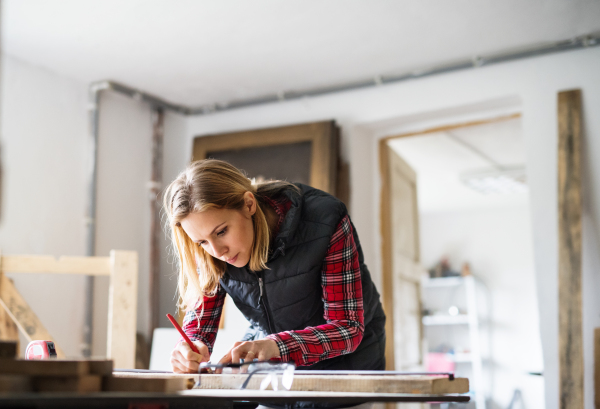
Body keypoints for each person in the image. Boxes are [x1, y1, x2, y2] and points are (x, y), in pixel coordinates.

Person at [164, 159, 386, 374]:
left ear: (249, 204)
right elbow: (200, 325)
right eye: (201, 242)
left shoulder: (325, 221)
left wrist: (277, 347)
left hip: (347, 369)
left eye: (221, 232)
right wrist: (191, 347)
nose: (217, 252)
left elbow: (347, 329)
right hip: (275, 367)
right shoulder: (210, 247)